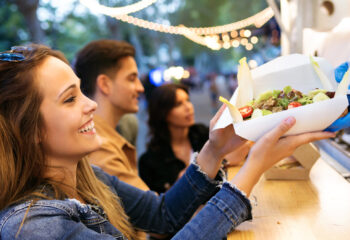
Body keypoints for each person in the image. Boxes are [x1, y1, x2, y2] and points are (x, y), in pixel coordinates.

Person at [0, 44, 335, 239]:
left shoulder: (87, 175)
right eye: (70, 99)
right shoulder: (32, 226)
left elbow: (162, 214)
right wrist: (253, 167)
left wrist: (216, 147)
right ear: (30, 130)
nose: (90, 105)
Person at [74, 39, 149, 190]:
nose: (140, 88)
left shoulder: (102, 137)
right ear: (105, 84)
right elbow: (156, 212)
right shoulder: (99, 147)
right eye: (132, 78)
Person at [139, 83, 208, 193]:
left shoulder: (203, 134)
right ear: (163, 113)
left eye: (188, 100)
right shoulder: (150, 161)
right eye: (178, 104)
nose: (188, 107)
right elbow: (155, 206)